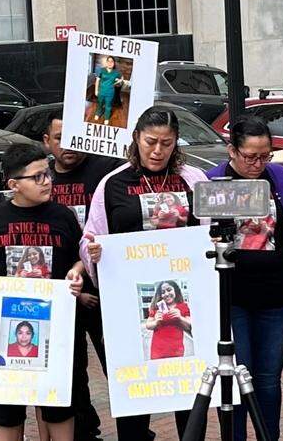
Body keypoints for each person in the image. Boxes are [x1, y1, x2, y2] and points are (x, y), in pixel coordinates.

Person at [81, 106, 209, 439]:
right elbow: (90, 237)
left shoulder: (193, 179)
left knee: (189, 391)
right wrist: (92, 253)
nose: (157, 150)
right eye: (150, 141)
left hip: (186, 296)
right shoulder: (113, 184)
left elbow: (213, 234)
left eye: (166, 143)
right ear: (136, 138)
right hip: (128, 304)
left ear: (176, 143)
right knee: (134, 395)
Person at [0, 144, 85, 441]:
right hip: (5, 329)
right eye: (37, 177)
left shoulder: (63, 216)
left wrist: (77, 271)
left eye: (47, 174)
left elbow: (79, 255)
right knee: (7, 409)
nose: (46, 182)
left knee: (58, 404)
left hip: (57, 330)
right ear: (13, 184)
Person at [205, 115, 283, 441]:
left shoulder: (282, 178)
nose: (258, 163)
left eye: (266, 155)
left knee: (268, 380)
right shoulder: (212, 182)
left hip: (274, 298)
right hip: (231, 300)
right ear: (232, 150)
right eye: (250, 156)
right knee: (233, 380)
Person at [42, 113, 119, 441]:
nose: (68, 145)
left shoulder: (105, 171)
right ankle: (87, 432)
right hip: (61, 293)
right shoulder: (41, 179)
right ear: (46, 142)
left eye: (75, 136)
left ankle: (136, 430)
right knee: (71, 371)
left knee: (117, 364)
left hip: (105, 287)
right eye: (59, 137)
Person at [144, 280, 192, 359]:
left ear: (175, 290)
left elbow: (189, 326)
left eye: (169, 290)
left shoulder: (183, 306)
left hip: (176, 351)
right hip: (158, 350)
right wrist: (156, 322)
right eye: (163, 292)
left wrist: (180, 318)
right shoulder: (156, 308)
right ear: (160, 295)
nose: (166, 294)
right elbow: (148, 325)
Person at [92, 55, 124, 123]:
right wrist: (96, 90)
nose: (110, 63)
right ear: (106, 62)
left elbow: (122, 78)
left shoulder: (116, 72)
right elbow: (97, 80)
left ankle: (107, 117)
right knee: (100, 103)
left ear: (114, 63)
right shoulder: (101, 70)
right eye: (108, 61)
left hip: (110, 92)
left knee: (108, 105)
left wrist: (118, 81)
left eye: (111, 61)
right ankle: (98, 113)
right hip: (101, 91)